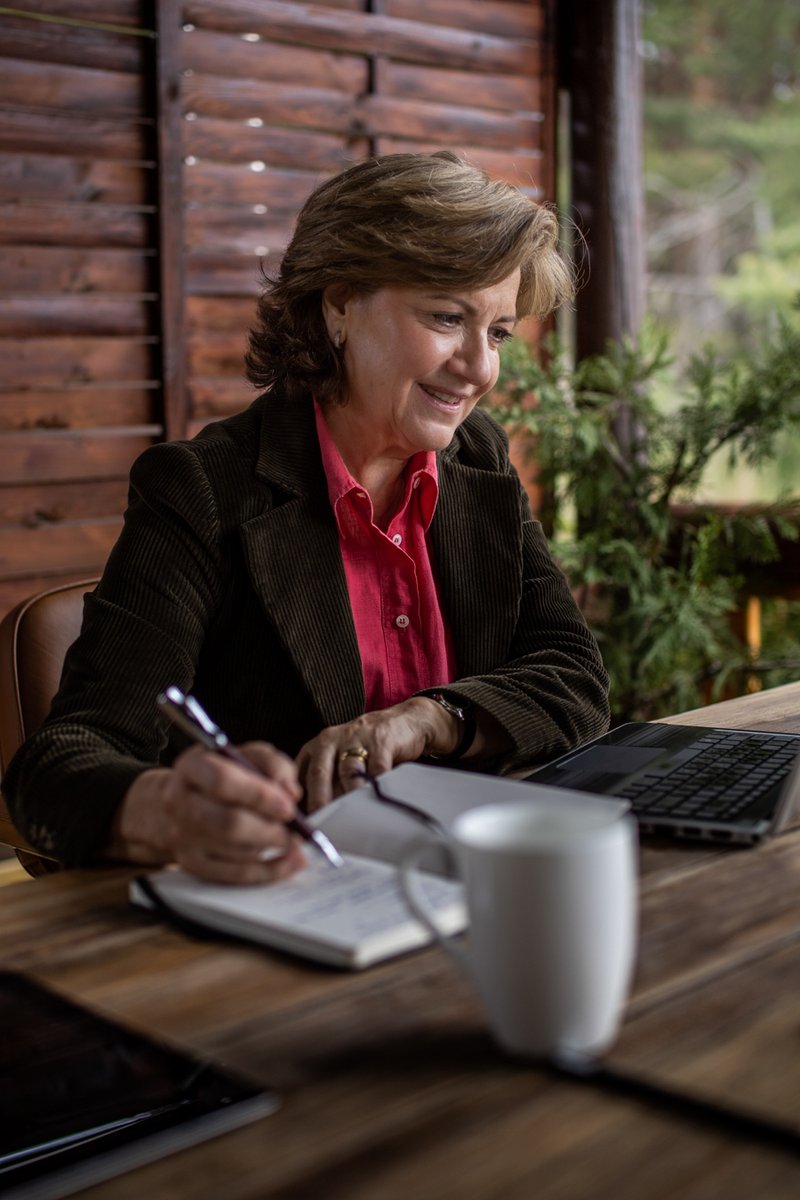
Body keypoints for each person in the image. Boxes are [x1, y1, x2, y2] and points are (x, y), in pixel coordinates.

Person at [2, 151, 609, 883]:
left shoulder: (478, 457)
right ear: (339, 305)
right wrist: (170, 812)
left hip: (464, 878)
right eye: (448, 317)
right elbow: (56, 771)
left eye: (499, 332)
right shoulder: (203, 488)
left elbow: (574, 677)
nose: (480, 367)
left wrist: (430, 719)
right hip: (290, 898)